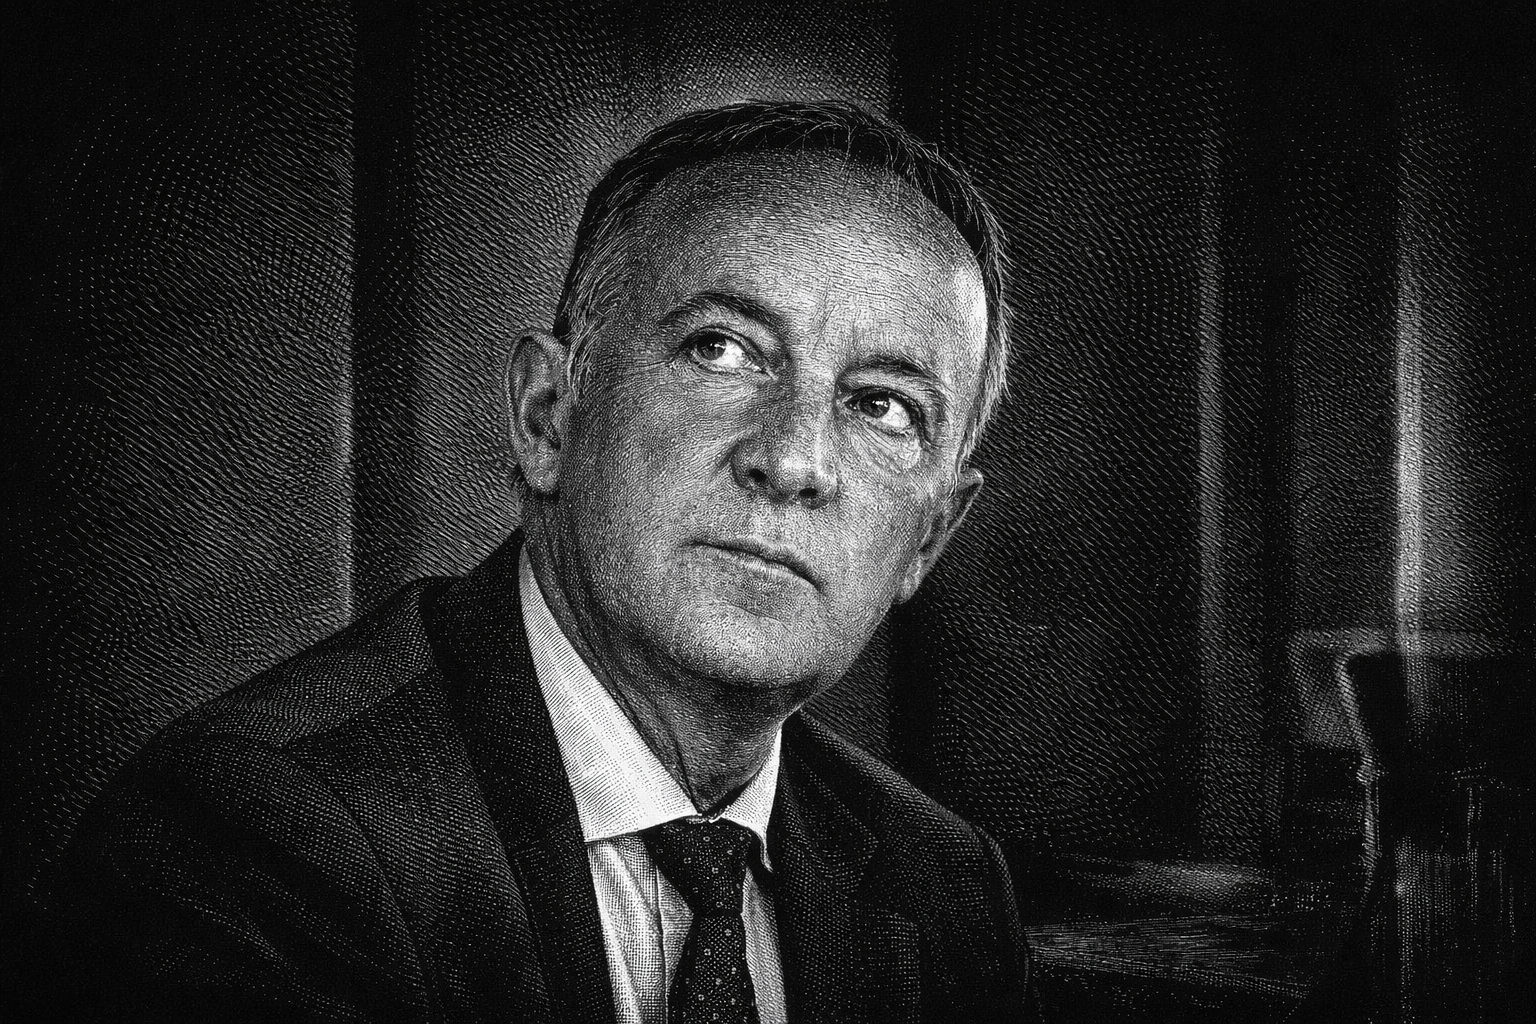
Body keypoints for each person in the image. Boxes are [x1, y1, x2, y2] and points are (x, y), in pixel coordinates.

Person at [52, 100, 1036, 1024]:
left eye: (882, 406)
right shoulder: (252, 834)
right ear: (547, 416)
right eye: (722, 349)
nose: (793, 461)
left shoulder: (946, 886)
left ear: (930, 536)